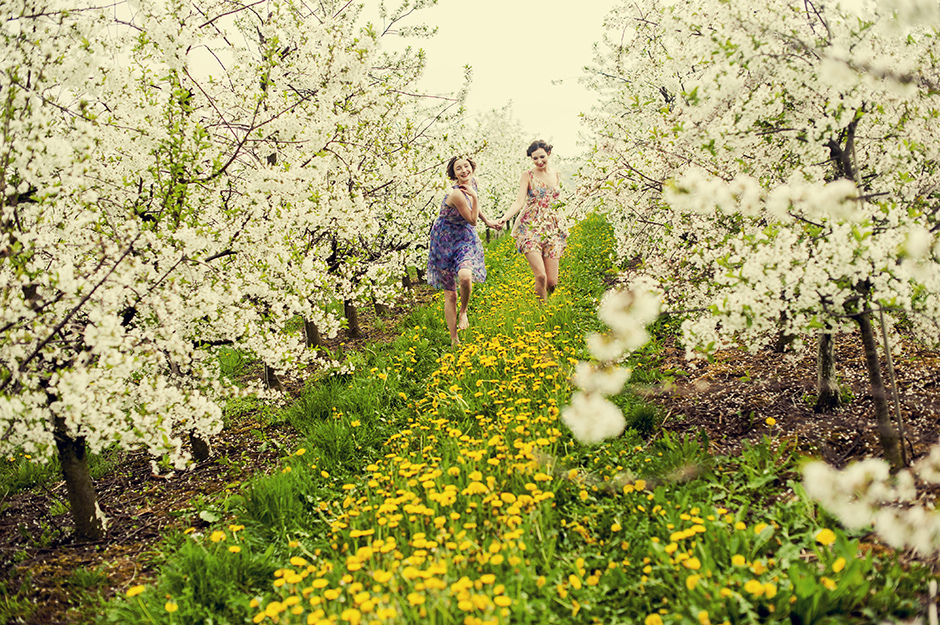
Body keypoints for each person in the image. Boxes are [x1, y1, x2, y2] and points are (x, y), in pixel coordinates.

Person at [426, 156, 500, 345]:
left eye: (466, 166)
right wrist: (475, 198)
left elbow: (474, 210)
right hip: (444, 240)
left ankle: (464, 311)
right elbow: (471, 218)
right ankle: (454, 339)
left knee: (465, 277)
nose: (464, 170)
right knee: (450, 293)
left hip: (464, 238)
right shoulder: (457, 193)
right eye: (459, 168)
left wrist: (488, 221)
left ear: (472, 168)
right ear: (454, 174)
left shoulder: (472, 183)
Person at [495, 140, 568, 300]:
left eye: (542, 157)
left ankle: (547, 304)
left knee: (552, 282)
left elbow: (561, 202)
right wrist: (504, 218)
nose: (539, 161)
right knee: (541, 276)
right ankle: (542, 311)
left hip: (552, 228)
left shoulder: (557, 175)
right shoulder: (527, 175)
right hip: (530, 227)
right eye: (535, 158)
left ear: (548, 153)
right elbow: (519, 201)